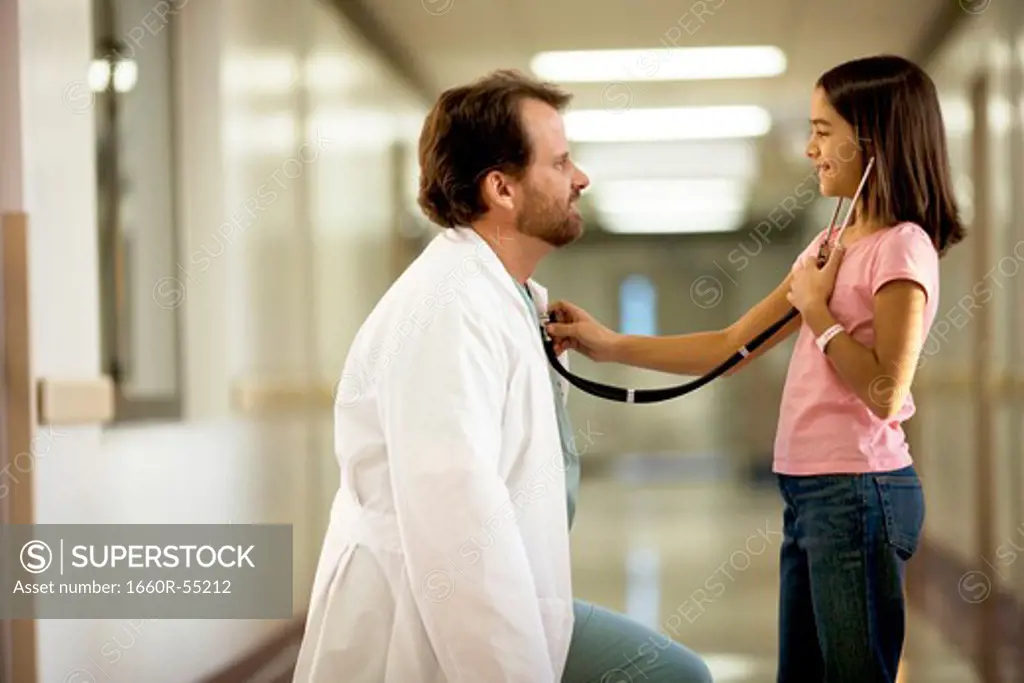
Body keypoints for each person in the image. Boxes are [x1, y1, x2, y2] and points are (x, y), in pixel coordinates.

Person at [545, 54, 966, 683]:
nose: (808, 148)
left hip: (858, 490)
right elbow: (730, 344)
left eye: (824, 131)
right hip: (809, 490)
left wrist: (820, 314)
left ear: (873, 138)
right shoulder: (830, 245)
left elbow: (885, 391)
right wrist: (608, 344)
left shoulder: (902, 245)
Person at [292, 69, 712, 683]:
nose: (581, 178)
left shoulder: (504, 295)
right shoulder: (450, 310)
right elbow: (458, 521)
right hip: (435, 604)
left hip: (516, 593)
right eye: (562, 163)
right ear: (502, 190)